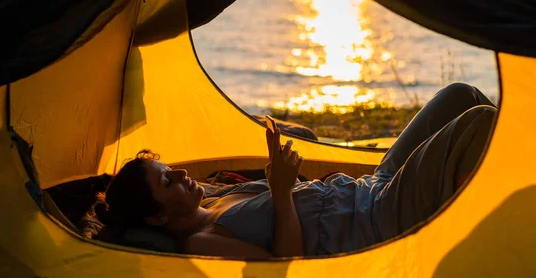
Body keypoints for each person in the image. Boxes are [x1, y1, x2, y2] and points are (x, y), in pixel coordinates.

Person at [94, 83, 497, 258]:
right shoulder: (202, 241)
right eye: (168, 181)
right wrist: (282, 191)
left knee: (461, 95)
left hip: (367, 187)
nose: (181, 175)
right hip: (377, 221)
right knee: (478, 121)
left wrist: (278, 166)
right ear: (158, 215)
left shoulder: (210, 194)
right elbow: (286, 267)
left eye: (171, 169)